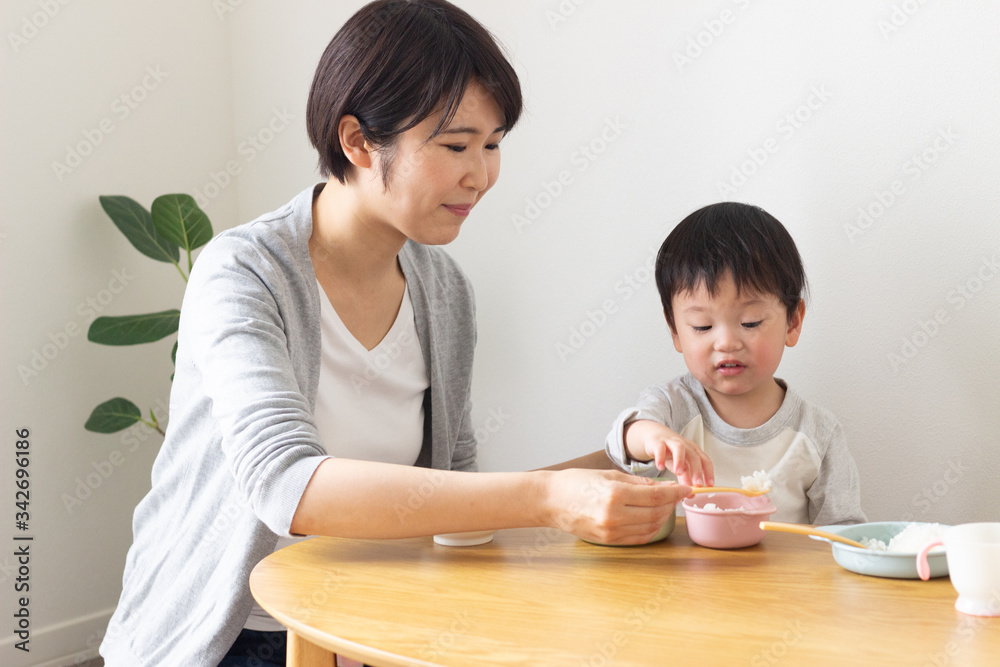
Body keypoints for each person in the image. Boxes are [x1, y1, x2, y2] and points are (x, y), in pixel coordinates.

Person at [100, 2, 709, 665]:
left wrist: (620, 458)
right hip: (230, 635)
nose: (481, 175)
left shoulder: (444, 291)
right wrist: (547, 498)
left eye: (493, 144)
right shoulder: (244, 272)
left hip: (367, 618)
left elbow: (453, 497)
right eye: (455, 145)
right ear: (359, 142)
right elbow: (285, 485)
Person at [605, 202, 867, 526]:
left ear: (792, 322)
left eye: (751, 322)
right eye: (702, 326)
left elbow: (844, 530)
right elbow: (622, 444)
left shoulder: (817, 433)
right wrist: (653, 438)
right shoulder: (672, 408)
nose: (727, 343)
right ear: (674, 330)